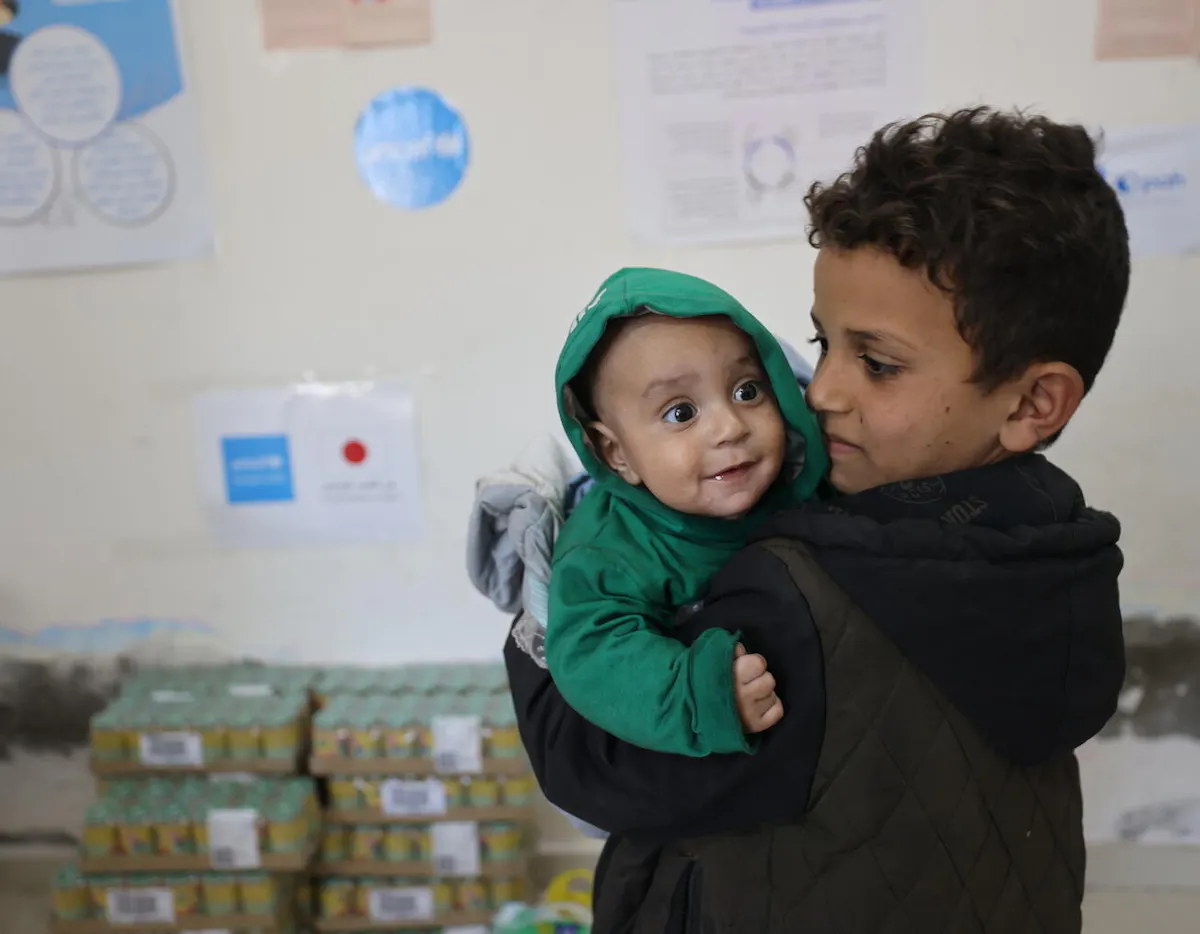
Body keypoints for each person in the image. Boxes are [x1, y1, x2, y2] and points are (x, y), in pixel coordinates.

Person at [503, 107, 1130, 933]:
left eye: (875, 362)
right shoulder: (1065, 540)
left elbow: (593, 768)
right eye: (819, 342)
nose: (823, 390)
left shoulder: (799, 596)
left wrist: (537, 613)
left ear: (1033, 402)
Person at [545, 267, 827, 756]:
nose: (730, 427)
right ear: (618, 455)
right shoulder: (610, 551)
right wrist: (700, 696)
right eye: (681, 413)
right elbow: (591, 652)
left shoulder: (807, 483)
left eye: (747, 391)